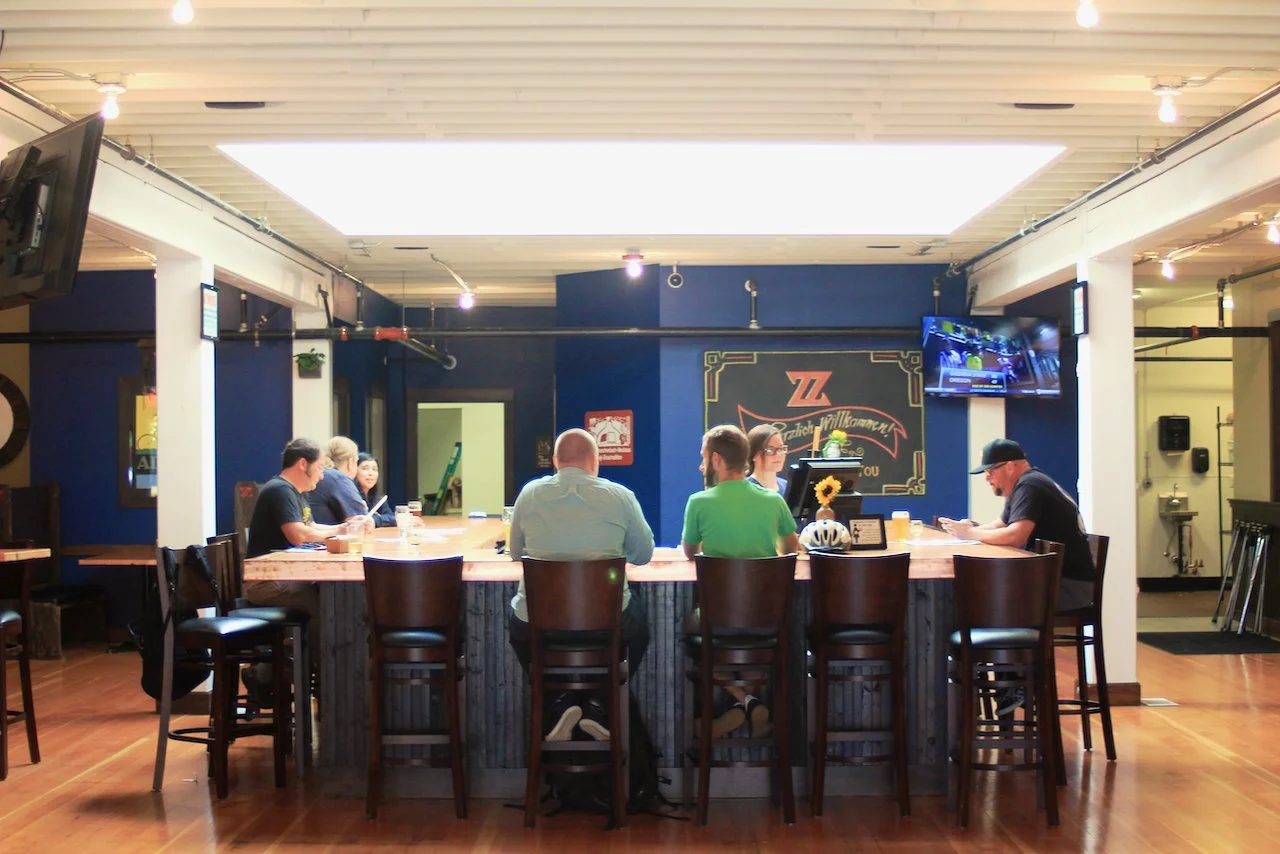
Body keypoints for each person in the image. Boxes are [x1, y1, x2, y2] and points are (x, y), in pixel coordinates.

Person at [507, 427, 654, 743]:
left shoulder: (529, 495)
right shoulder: (620, 496)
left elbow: (516, 553)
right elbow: (643, 555)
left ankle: (559, 701)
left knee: (518, 626)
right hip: (607, 624)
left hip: (540, 624)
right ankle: (599, 702)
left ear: (555, 461)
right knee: (639, 628)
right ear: (595, 462)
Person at [940, 437, 1096, 714]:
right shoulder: (1030, 483)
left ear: (1010, 466)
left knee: (996, 603)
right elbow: (1001, 525)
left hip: (1071, 588)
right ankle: (1008, 683)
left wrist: (971, 534)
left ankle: (1013, 685)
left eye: (990, 471)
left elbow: (1015, 535)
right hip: (1058, 583)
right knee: (995, 600)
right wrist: (965, 531)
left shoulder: (1030, 485)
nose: (987, 478)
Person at [682, 424, 799, 737]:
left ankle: (743, 702)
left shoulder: (699, 502)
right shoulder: (774, 501)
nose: (702, 465)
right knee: (773, 641)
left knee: (690, 633)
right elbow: (792, 550)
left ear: (717, 460)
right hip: (768, 621)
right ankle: (750, 702)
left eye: (704, 458)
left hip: (717, 622)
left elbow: (691, 553)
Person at [244, 437, 345, 706]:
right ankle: (319, 682)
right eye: (320, 467)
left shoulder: (293, 493)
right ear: (303, 464)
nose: (322, 476)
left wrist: (346, 527)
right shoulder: (279, 490)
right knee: (322, 605)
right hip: (265, 583)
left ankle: (282, 673)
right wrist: (340, 530)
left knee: (324, 598)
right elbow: (298, 535)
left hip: (281, 577)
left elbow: (312, 528)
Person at [307, 436, 374, 530]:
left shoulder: (324, 475)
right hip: (327, 538)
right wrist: (363, 511)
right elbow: (362, 525)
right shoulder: (339, 479)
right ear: (350, 462)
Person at [355, 452, 397, 527]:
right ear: (354, 471)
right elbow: (359, 520)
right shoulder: (352, 493)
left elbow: (391, 517)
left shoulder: (378, 496)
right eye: (365, 469)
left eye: (374, 469)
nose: (370, 473)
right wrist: (380, 518)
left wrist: (375, 520)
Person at [745, 424, 788, 495]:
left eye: (781, 449)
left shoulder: (787, 487)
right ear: (754, 454)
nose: (778, 454)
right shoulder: (745, 490)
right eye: (770, 450)